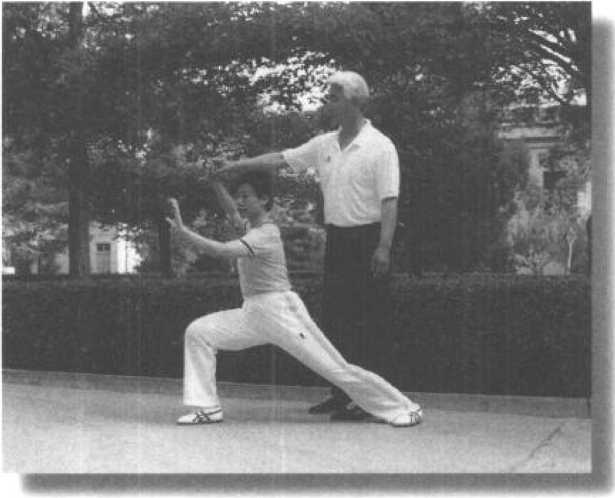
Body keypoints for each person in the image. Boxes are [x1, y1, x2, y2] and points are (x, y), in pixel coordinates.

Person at [166, 172, 423, 428]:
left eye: (246, 196)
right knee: (199, 332)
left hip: (281, 311)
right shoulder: (250, 229)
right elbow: (233, 212)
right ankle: (207, 408)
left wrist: (184, 233)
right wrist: (215, 183)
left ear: (263, 199)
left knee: (335, 368)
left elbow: (223, 251)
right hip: (252, 313)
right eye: (238, 196)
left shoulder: (267, 233)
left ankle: (404, 408)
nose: (240, 202)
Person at [215, 71, 400, 420]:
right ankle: (341, 394)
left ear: (354, 101)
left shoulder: (381, 146)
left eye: (334, 96)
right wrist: (237, 164)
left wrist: (384, 247)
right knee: (336, 320)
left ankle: (373, 402)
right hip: (338, 240)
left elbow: (389, 200)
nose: (327, 102)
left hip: (369, 239)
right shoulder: (324, 144)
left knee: (369, 322)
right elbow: (279, 159)